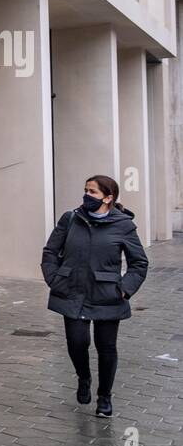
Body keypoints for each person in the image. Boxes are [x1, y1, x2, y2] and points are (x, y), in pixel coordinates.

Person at [41, 175, 148, 418]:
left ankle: (104, 397)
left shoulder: (124, 225)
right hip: (72, 292)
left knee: (106, 348)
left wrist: (124, 288)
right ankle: (84, 377)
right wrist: (55, 279)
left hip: (107, 296)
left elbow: (139, 263)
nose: (87, 196)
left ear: (108, 198)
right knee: (77, 342)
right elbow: (50, 252)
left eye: (93, 192)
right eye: (85, 190)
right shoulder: (70, 219)